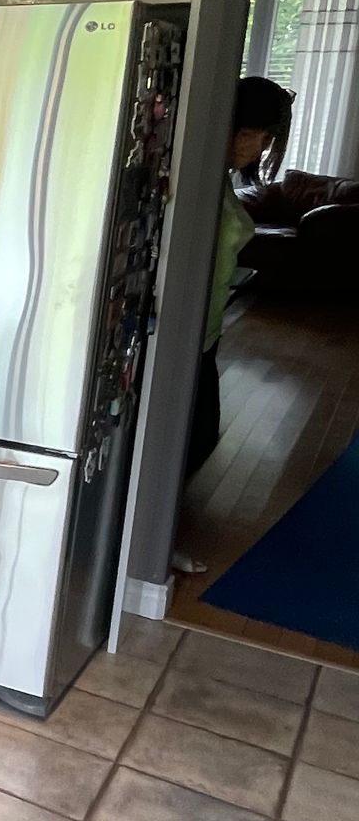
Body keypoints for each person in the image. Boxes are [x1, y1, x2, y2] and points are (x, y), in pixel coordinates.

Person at [176, 76, 295, 572]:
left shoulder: (219, 178)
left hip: (205, 329)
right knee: (190, 436)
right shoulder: (196, 175)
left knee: (196, 436)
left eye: (267, 138)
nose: (260, 146)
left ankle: (153, 531)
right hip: (181, 333)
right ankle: (148, 539)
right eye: (256, 134)